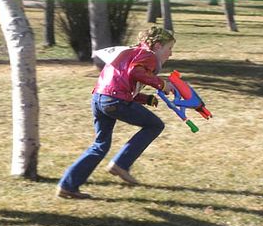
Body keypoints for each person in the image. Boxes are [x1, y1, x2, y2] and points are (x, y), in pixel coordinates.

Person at [56, 26, 175, 199]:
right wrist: (162, 84)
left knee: (100, 144)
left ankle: (67, 186)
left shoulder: (130, 53)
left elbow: (122, 83)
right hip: (114, 100)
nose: (170, 54)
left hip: (99, 99)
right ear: (157, 46)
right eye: (169, 48)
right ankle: (121, 164)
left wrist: (145, 99)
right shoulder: (148, 55)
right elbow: (135, 72)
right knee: (155, 125)